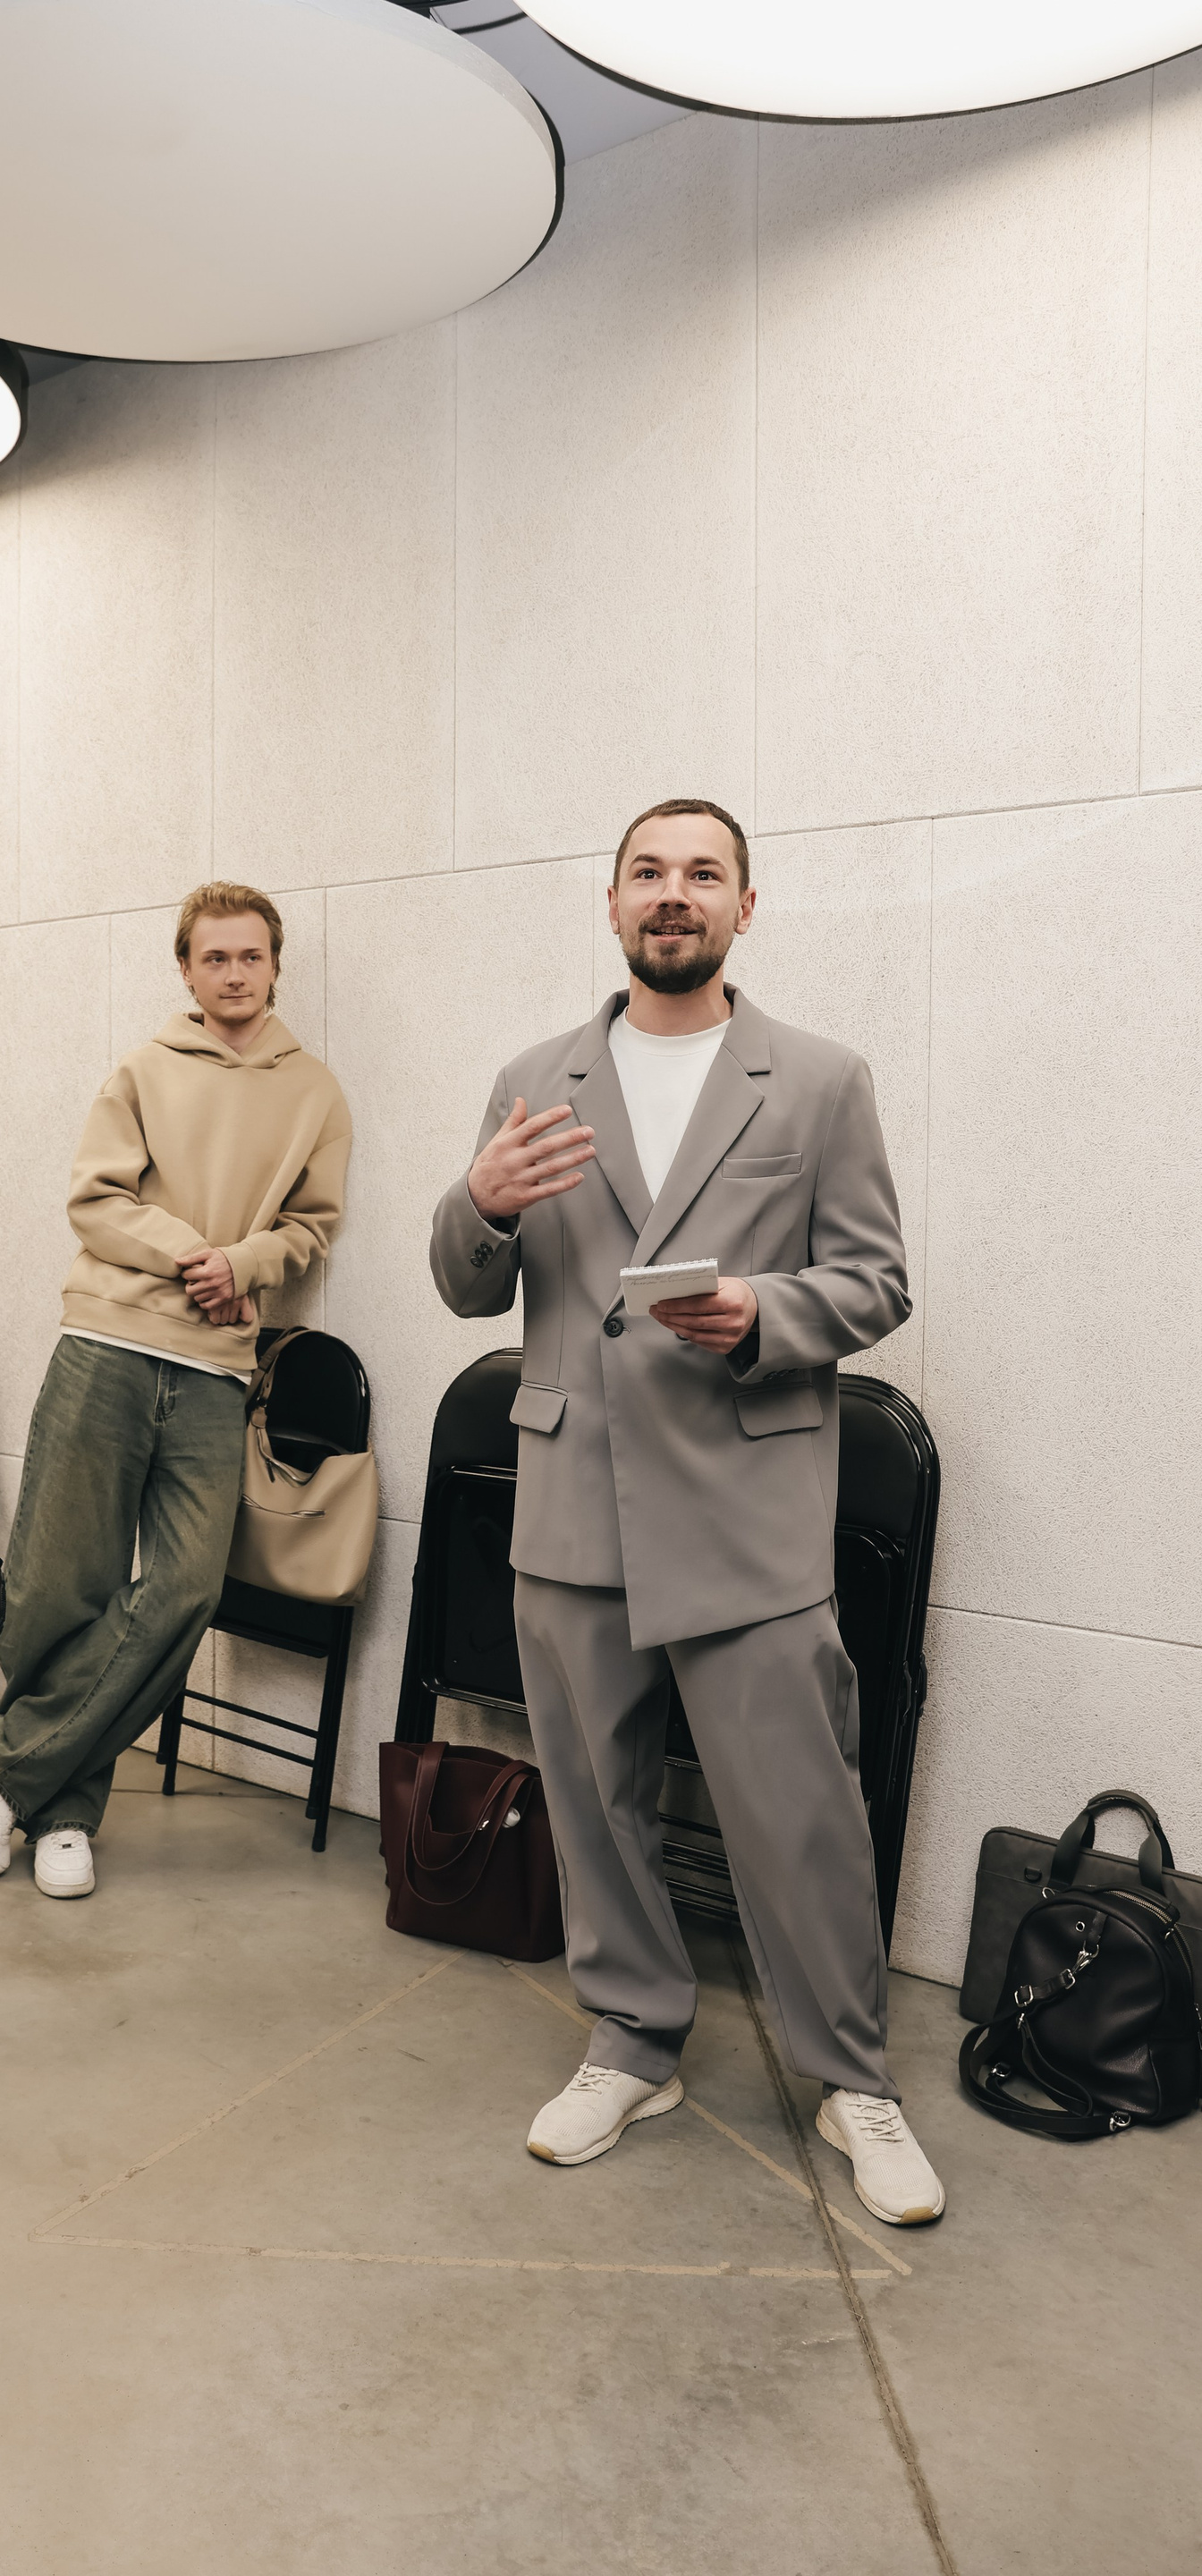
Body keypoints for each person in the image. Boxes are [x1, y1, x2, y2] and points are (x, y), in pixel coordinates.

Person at [429, 798, 945, 2228]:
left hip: (747, 1502)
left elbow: (876, 1281)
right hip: (574, 1498)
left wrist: (762, 1312)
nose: (675, 893)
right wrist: (478, 1199)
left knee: (801, 1814)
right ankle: (632, 2041)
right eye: (649, 872)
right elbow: (468, 1285)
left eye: (703, 873)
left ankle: (853, 2081)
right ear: (611, 903)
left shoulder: (821, 1081)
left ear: (744, 906)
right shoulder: (533, 1080)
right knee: (597, 1803)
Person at [0, 882, 351, 1900]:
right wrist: (197, 1258)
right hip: (109, 1341)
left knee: (187, 1590)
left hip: (219, 1366)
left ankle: (8, 1757)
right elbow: (95, 1202)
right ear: (186, 968)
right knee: (61, 1582)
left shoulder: (315, 1093)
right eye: (214, 957)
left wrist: (245, 1264)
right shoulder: (141, 1071)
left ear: (276, 965)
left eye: (251, 956)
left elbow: (311, 1227)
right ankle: (66, 1815)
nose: (234, 973)